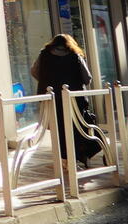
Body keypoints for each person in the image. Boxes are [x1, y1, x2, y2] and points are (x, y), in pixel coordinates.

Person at [33, 33, 100, 165]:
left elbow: (34, 71)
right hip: (74, 100)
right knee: (78, 127)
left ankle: (65, 158)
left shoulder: (44, 55)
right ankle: (80, 154)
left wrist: (47, 82)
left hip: (52, 100)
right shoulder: (75, 56)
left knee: (59, 129)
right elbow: (87, 78)